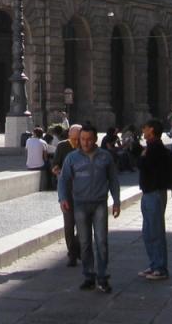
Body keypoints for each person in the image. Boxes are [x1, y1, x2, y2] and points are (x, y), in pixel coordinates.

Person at [57, 123, 121, 294]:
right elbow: (63, 180)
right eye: (82, 139)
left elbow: (113, 180)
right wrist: (62, 198)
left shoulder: (105, 157)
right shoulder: (72, 158)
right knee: (85, 243)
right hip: (80, 204)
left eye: (89, 139)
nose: (85, 143)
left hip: (99, 203)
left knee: (102, 241)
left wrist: (116, 201)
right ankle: (88, 275)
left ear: (95, 139)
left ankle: (102, 276)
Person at [137, 119, 170, 281]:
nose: (143, 130)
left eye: (145, 127)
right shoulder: (152, 146)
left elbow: (146, 166)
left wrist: (142, 157)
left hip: (154, 193)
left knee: (155, 231)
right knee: (148, 232)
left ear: (151, 130)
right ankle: (154, 264)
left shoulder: (155, 147)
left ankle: (160, 268)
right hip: (149, 193)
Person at [51, 123, 82, 266]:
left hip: (83, 192)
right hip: (67, 190)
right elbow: (55, 164)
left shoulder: (85, 145)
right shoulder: (63, 146)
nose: (76, 142)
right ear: (69, 135)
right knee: (69, 224)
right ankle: (72, 254)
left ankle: (77, 248)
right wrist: (56, 169)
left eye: (78, 139)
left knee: (83, 225)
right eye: (74, 139)